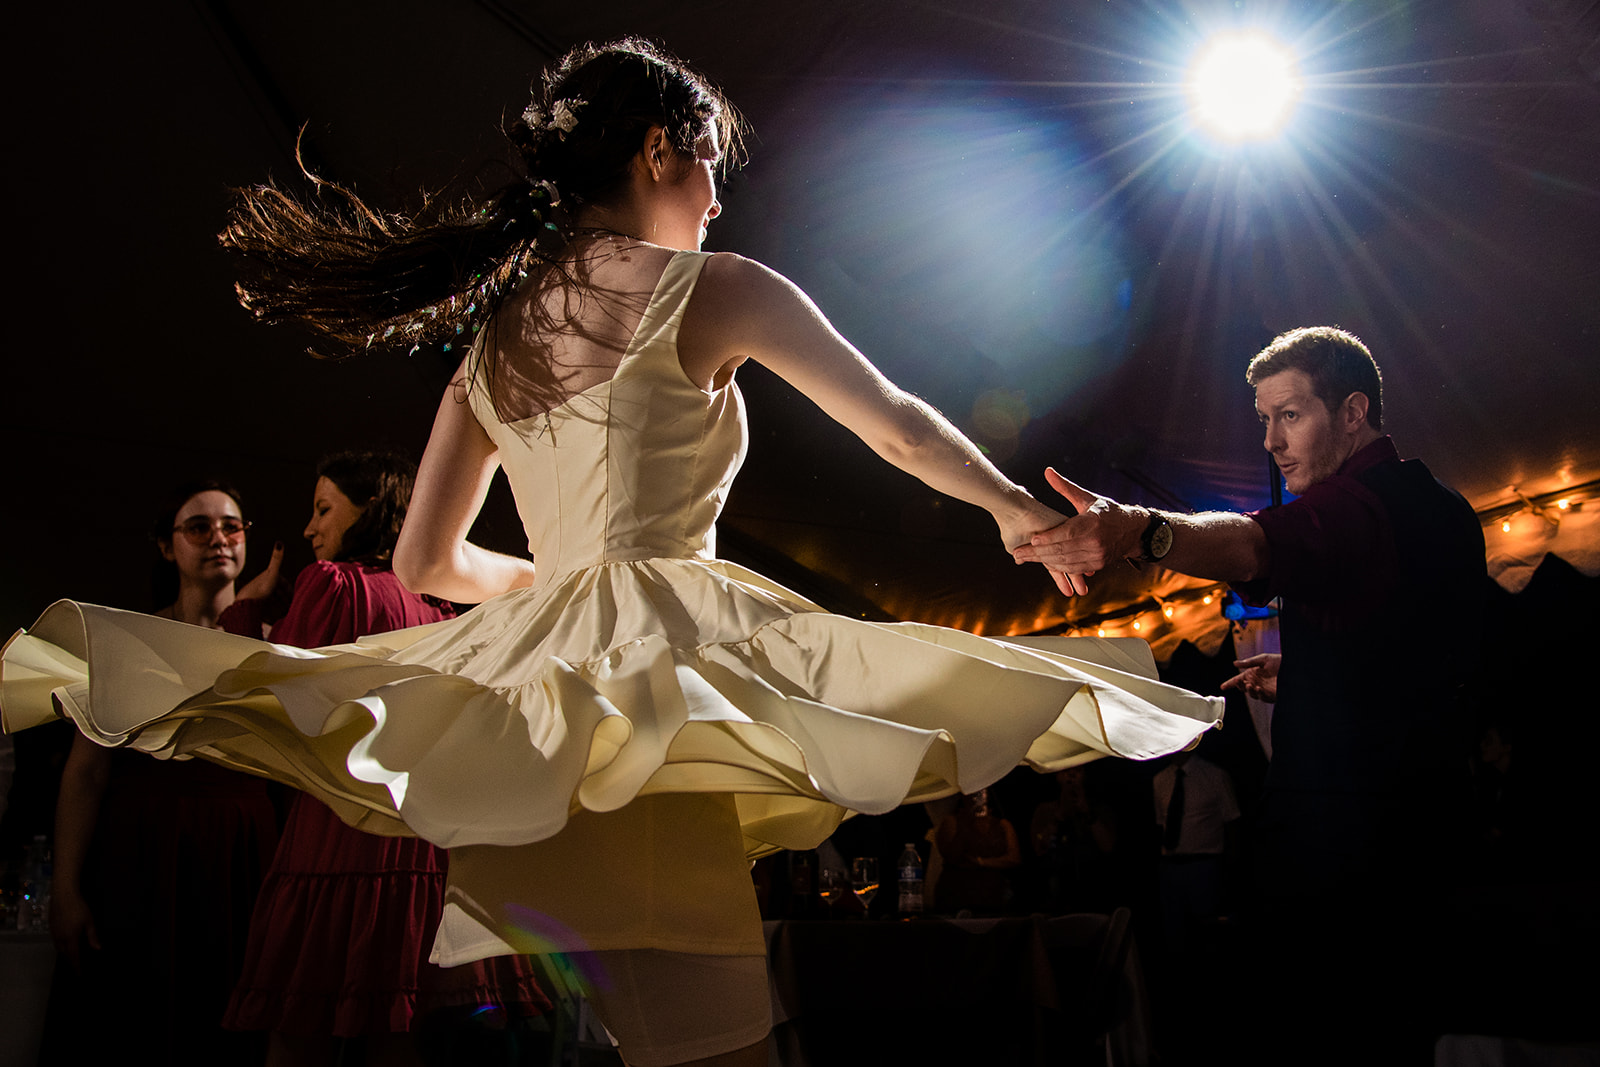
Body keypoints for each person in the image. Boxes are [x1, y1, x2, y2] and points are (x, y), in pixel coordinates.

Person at [3, 40, 1223, 1067]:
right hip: (646, 694)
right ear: (657, 148)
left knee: (592, 1024)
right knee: (711, 1034)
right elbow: (896, 421)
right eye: (709, 165)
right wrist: (1014, 509)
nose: (714, 196)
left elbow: (430, 557)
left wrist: (558, 595)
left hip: (538, 705)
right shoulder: (713, 285)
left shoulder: (492, 342)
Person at [1016, 326, 1488, 1062]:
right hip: (1432, 845)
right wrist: (1310, 676)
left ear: (1354, 410)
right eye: (1264, 418)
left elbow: (1254, 544)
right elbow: (1439, 664)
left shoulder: (1356, 507)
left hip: (1344, 866)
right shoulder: (1449, 511)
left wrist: (1144, 532)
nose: (1270, 439)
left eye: (1290, 414)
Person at [221, 450, 550, 1066]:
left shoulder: (333, 583)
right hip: (426, 844)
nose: (310, 529)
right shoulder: (443, 609)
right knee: (400, 1035)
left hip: (337, 837)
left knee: (300, 1025)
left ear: (370, 510)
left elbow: (271, 700)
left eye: (323, 509)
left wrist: (246, 608)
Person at [44, 481, 282, 1065]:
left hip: (240, 853)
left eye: (232, 526)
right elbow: (86, 774)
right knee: (134, 1016)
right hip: (141, 850)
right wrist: (65, 887)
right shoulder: (130, 641)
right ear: (165, 545)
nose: (219, 538)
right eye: (198, 527)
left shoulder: (279, 647)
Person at [932, 788, 1021, 914]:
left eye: (981, 792)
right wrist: (968, 822)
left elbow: (1014, 858)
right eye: (972, 792)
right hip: (957, 893)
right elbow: (952, 856)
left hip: (993, 894)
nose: (977, 797)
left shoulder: (1002, 825)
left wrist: (980, 862)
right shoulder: (952, 822)